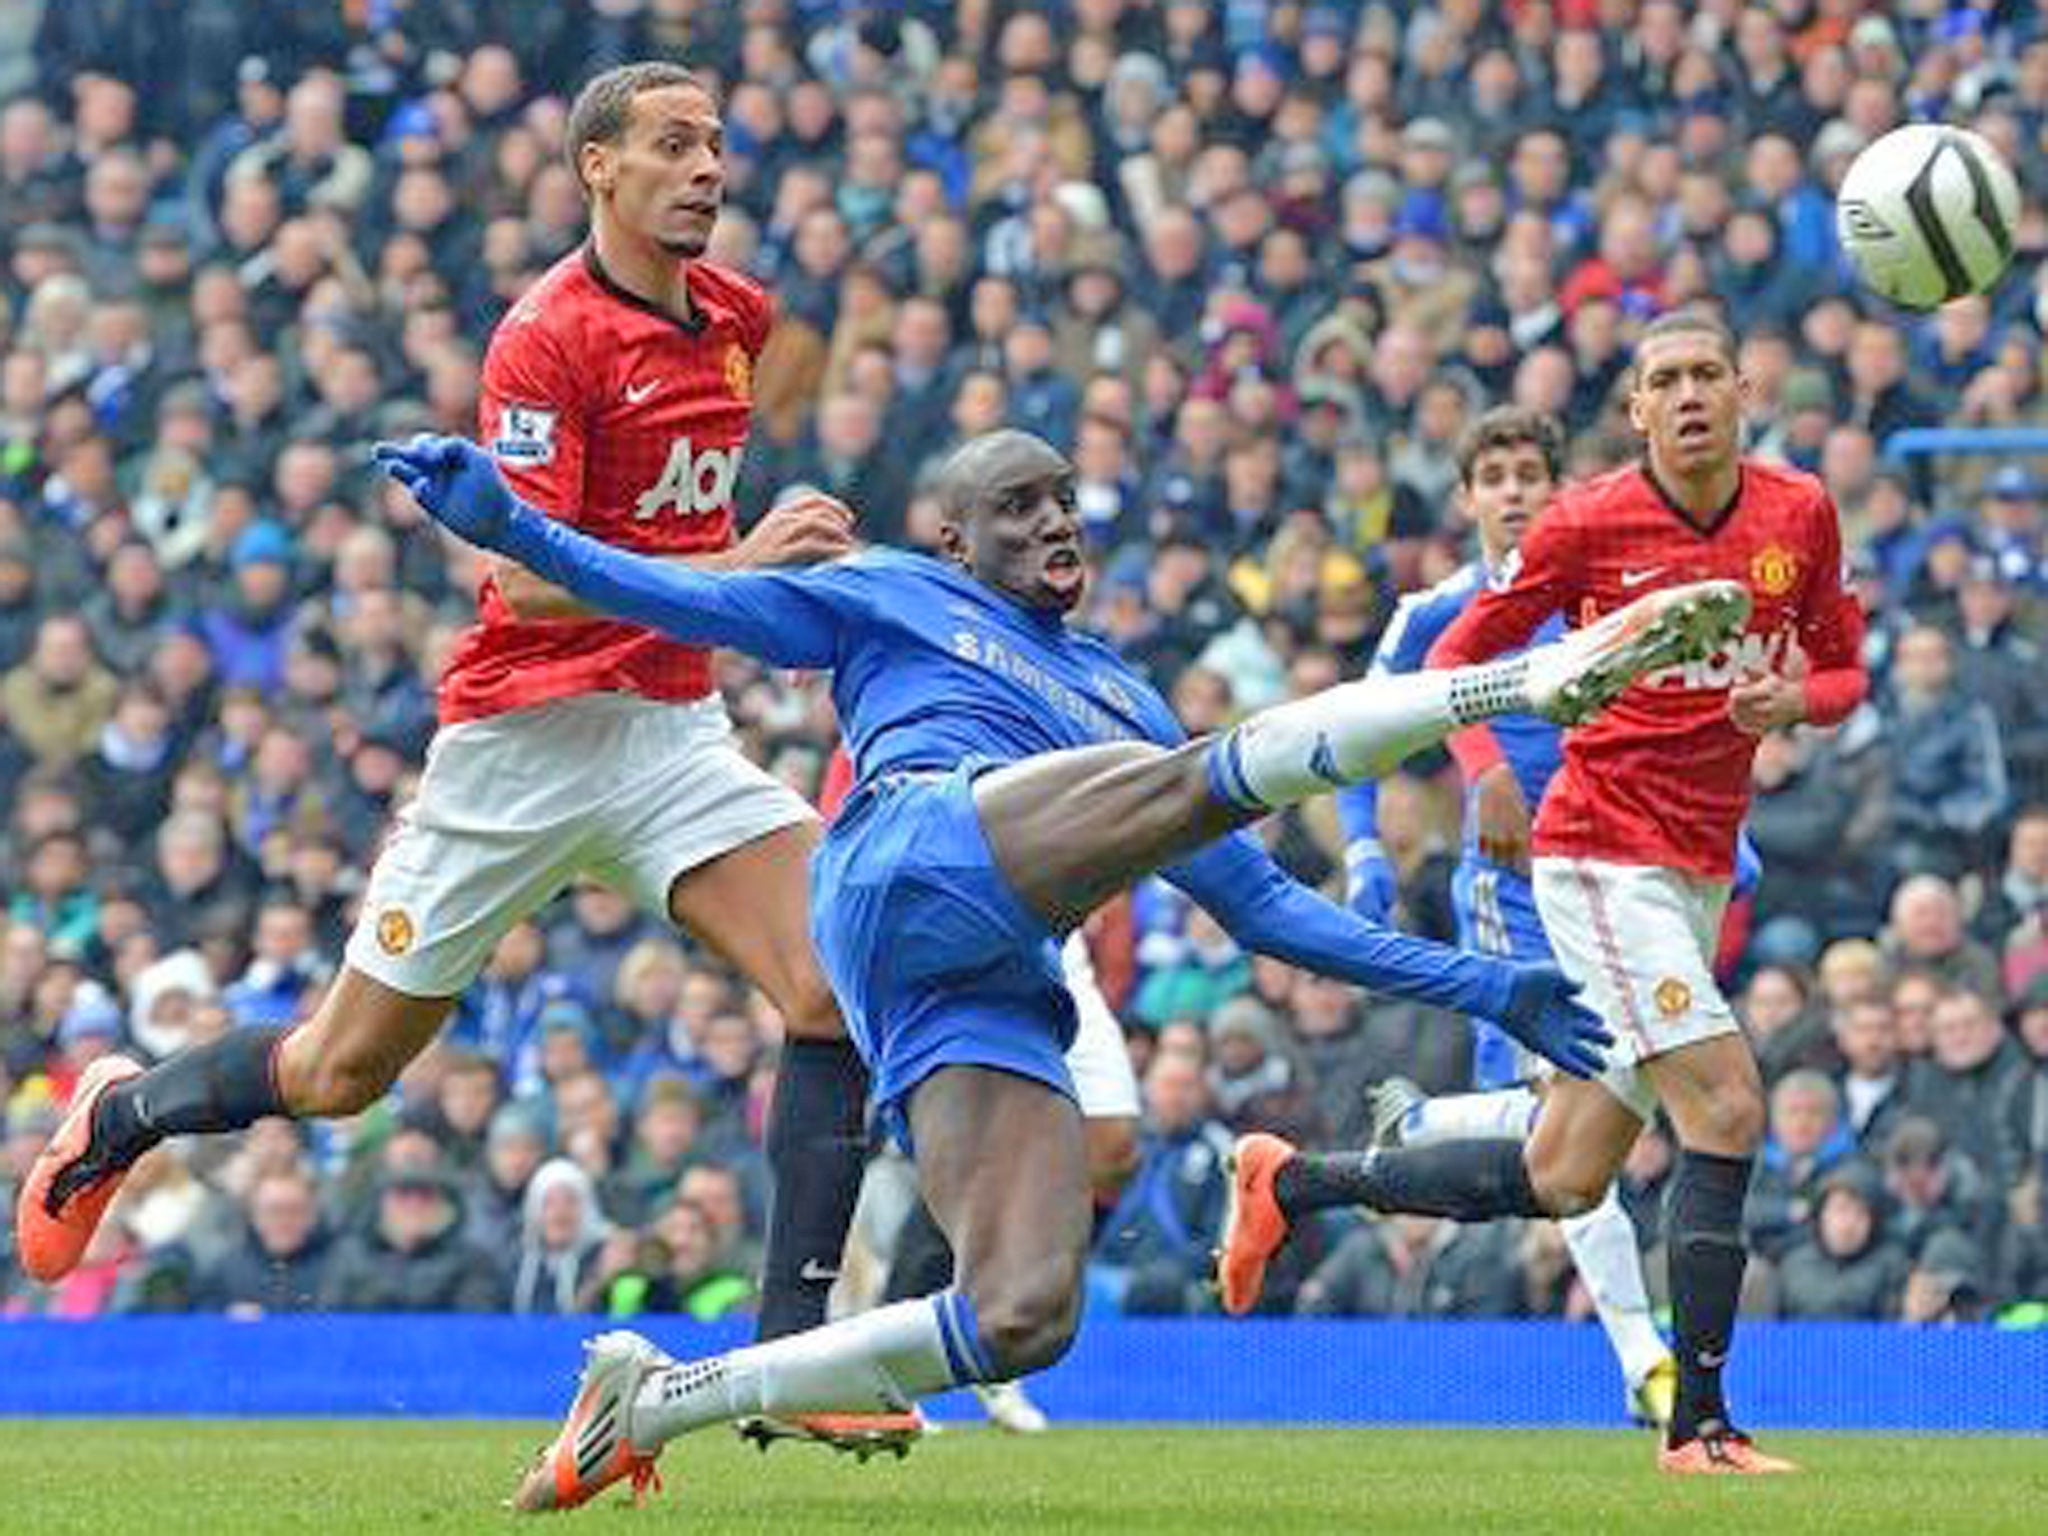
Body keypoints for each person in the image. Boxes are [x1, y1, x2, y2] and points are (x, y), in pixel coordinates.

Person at [373, 419, 1743, 1510]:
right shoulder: (885, 591)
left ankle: (660, 1399)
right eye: (1019, 507)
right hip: (902, 855)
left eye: (1064, 500)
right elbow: (680, 600)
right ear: (954, 537)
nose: (1054, 523)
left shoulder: (1120, 697)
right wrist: (511, 525)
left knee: (1024, 1316)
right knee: (1191, 777)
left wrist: (1486, 985)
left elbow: (1268, 914)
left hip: (970, 969)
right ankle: (1512, 685)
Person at [14, 66, 881, 1428]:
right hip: (521, 743)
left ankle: (787, 1365)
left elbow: (667, 532)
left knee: (837, 985)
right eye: (672, 145)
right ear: (599, 167)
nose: (708, 167)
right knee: (339, 1076)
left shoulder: (741, 322)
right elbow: (527, 584)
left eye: (716, 144)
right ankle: (122, 1115)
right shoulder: (545, 336)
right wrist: (744, 561)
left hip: (667, 730)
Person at [1221, 309, 1868, 1475]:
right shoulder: (1586, 522)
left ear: (1741, 388)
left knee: (1566, 1169)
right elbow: (1454, 659)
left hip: (1695, 867)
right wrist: (1492, 768)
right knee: (1723, 1107)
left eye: (1703, 375)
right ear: (1633, 412)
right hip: (1593, 854)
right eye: (1660, 381)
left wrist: (1794, 706)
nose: (1685, 396)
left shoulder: (1798, 513)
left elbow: (1841, 665)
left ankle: (1293, 1182)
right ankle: (1700, 1425)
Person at [1336, 405, 1677, 1427]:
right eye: (1494, 476)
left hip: (1614, 873)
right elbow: (1351, 740)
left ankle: (1422, 1125)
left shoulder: (1605, 601)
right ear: (1466, 498)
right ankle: (1641, 1360)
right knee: (1576, 1104)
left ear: (1558, 486)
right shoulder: (1429, 616)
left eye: (1531, 471)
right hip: (1508, 885)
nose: (1514, 491)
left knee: (1590, 1123)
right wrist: (1362, 856)